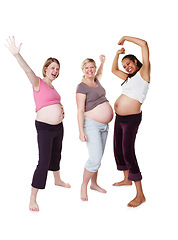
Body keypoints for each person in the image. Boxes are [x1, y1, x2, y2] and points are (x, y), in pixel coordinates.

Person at [5, 36, 71, 212]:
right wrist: (17, 55)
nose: (55, 71)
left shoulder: (54, 89)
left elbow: (53, 103)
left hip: (58, 127)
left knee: (57, 154)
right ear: (46, 69)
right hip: (45, 127)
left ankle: (57, 179)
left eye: (57, 69)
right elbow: (27, 71)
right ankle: (32, 198)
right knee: (43, 161)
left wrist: (61, 109)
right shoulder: (38, 83)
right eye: (52, 68)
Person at [111, 36, 150, 207]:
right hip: (120, 118)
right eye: (124, 65)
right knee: (118, 148)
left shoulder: (143, 74)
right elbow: (113, 70)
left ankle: (140, 194)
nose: (127, 67)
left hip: (131, 119)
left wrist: (126, 38)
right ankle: (126, 179)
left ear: (136, 61)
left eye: (129, 63)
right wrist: (117, 54)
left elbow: (144, 44)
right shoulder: (128, 77)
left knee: (128, 151)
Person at [76, 55, 113, 201]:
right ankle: (84, 185)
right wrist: (80, 131)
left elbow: (100, 73)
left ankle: (94, 184)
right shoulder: (81, 86)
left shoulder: (96, 80)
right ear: (83, 70)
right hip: (91, 124)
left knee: (99, 157)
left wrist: (103, 62)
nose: (90, 70)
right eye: (87, 68)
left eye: (92, 67)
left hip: (104, 126)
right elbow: (79, 110)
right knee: (95, 158)